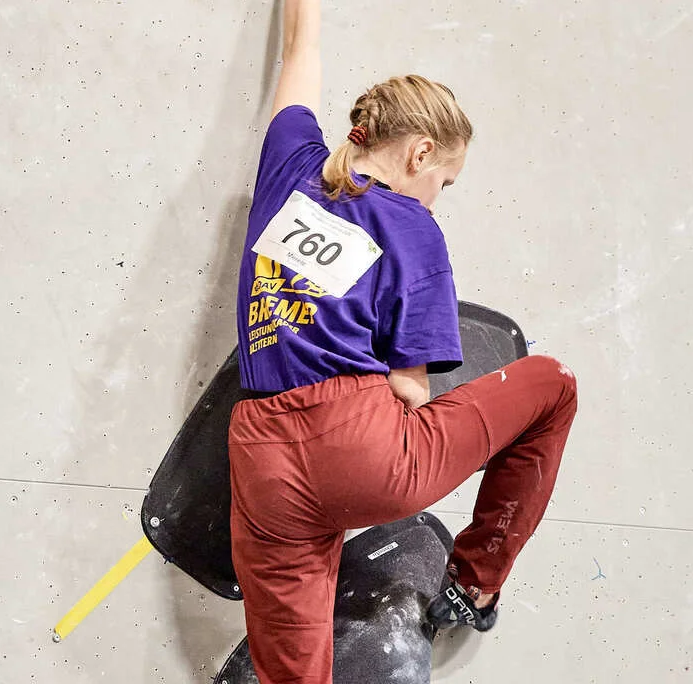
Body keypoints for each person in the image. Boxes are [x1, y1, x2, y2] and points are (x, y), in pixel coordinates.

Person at [227, 2, 579, 682]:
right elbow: (410, 390)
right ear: (420, 153)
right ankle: (473, 585)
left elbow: (299, 55)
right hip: (362, 450)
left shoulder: (288, 169)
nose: (437, 197)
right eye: (444, 181)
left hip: (261, 462)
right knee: (553, 386)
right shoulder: (413, 228)